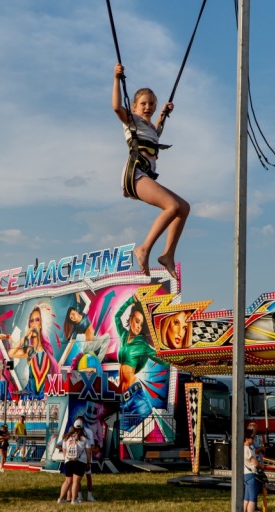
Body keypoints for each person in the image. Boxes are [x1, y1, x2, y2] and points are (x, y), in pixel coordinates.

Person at [112, 63, 190, 279]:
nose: (147, 107)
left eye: (151, 104)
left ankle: (167, 255)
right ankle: (144, 248)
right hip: (135, 174)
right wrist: (116, 79)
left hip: (144, 174)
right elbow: (117, 108)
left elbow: (157, 129)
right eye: (143, 104)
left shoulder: (152, 129)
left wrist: (164, 113)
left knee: (183, 208)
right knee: (171, 206)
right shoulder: (132, 121)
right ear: (134, 107)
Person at [115, 295, 166, 430]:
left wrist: (177, 359)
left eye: (141, 324)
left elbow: (160, 359)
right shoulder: (123, 336)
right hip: (123, 401)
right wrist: (130, 301)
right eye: (137, 321)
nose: (138, 326)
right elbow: (116, 317)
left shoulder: (142, 343)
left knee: (147, 435)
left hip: (136, 399)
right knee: (125, 443)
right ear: (131, 318)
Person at [8, 305, 59, 399]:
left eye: (37, 320)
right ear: (29, 325)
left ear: (40, 325)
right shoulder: (29, 350)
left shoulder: (47, 350)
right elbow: (11, 353)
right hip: (28, 399)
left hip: (44, 398)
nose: (34, 323)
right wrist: (24, 337)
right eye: (31, 321)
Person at [57, 423, 92, 505]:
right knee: (76, 481)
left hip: (68, 461)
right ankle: (74, 500)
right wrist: (88, 463)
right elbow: (88, 452)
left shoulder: (66, 439)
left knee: (67, 481)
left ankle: (61, 498)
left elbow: (64, 451)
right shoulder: (85, 439)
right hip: (80, 462)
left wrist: (66, 459)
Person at [74, 415, 97, 502]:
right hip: (76, 458)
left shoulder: (88, 432)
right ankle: (79, 495)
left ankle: (89, 495)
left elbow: (91, 445)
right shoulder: (73, 432)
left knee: (88, 476)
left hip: (86, 457)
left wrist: (88, 460)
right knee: (77, 478)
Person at [243, 429, 260, 512]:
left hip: (245, 474)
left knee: (246, 497)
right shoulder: (247, 450)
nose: (253, 440)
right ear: (247, 438)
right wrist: (262, 467)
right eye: (252, 438)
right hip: (251, 474)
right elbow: (255, 463)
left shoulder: (242, 449)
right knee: (252, 498)